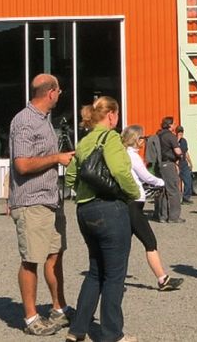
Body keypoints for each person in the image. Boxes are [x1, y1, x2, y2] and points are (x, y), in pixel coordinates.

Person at [64, 97, 141, 342]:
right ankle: (112, 334)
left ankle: (77, 330)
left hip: (85, 211)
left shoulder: (84, 141)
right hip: (109, 210)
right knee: (115, 275)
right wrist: (133, 192)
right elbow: (120, 170)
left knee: (95, 271)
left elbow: (69, 178)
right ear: (111, 116)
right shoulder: (111, 139)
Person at [8, 73, 76, 336]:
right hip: (31, 201)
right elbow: (22, 164)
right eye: (58, 90)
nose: (59, 95)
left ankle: (59, 309)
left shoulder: (44, 120)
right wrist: (57, 158)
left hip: (50, 200)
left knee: (54, 254)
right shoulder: (24, 121)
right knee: (31, 259)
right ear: (51, 92)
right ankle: (30, 317)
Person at [121, 126, 184, 292]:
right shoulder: (132, 156)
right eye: (143, 138)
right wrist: (161, 182)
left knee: (124, 244)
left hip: (130, 203)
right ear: (136, 139)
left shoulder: (124, 155)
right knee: (150, 242)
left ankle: (116, 279)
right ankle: (162, 279)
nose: (144, 141)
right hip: (134, 205)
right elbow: (145, 176)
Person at [155, 117, 183, 223]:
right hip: (169, 163)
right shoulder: (171, 136)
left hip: (160, 164)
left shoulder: (159, 135)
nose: (175, 125)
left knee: (163, 190)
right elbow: (177, 151)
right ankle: (174, 217)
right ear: (170, 125)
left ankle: (163, 215)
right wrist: (180, 156)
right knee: (173, 190)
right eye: (174, 123)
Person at [175, 126, 193, 204]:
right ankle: (175, 199)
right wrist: (177, 140)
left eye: (181, 132)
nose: (180, 134)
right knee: (176, 183)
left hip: (184, 163)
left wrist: (190, 162)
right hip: (176, 164)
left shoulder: (184, 141)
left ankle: (186, 197)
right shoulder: (174, 141)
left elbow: (186, 152)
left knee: (188, 181)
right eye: (179, 132)